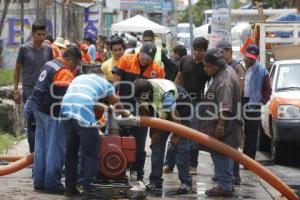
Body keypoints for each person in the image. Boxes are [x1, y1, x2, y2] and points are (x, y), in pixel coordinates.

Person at [60, 74, 129, 196]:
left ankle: (69, 188)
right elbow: (115, 102)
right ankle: (89, 189)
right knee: (91, 153)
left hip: (65, 109)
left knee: (71, 152)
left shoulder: (79, 78)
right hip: (82, 110)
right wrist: (125, 114)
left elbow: (83, 99)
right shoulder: (107, 85)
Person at [26, 46, 82, 193]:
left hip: (38, 110)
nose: (75, 68)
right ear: (69, 58)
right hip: (52, 113)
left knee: (41, 148)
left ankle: (39, 182)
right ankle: (52, 184)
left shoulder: (49, 63)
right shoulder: (63, 71)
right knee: (55, 150)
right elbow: (65, 97)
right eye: (75, 64)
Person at [112, 42, 165, 181]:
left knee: (139, 145)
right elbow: (115, 83)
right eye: (144, 56)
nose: (145, 60)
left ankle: (137, 175)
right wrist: (115, 102)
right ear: (139, 52)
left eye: (149, 58)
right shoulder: (126, 60)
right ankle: (118, 173)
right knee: (118, 141)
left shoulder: (157, 69)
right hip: (122, 106)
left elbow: (158, 94)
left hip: (143, 110)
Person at [134, 78, 192, 194]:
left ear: (148, 94)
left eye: (141, 97)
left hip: (181, 109)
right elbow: (144, 112)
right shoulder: (140, 91)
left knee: (180, 148)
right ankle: (155, 182)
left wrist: (177, 135)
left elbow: (174, 116)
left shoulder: (166, 94)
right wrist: (154, 131)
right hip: (160, 111)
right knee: (156, 145)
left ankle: (186, 183)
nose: (139, 99)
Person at [200, 48, 244, 197]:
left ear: (215, 65)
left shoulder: (224, 80)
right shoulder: (225, 71)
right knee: (225, 154)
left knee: (221, 154)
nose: (205, 69)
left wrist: (220, 125)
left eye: (207, 66)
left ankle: (225, 185)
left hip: (225, 127)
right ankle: (226, 182)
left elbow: (225, 105)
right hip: (226, 125)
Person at [13, 21, 53, 153]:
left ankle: (43, 152)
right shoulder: (24, 49)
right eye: (39, 34)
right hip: (29, 90)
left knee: (45, 122)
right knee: (32, 122)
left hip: (45, 91)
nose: (42, 37)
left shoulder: (48, 49)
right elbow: (17, 70)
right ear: (32, 34)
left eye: (44, 34)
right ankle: (33, 153)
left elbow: (52, 70)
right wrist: (16, 90)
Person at [173, 37, 210, 174]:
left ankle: (193, 165)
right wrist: (174, 92)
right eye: (196, 50)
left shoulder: (208, 65)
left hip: (198, 102)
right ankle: (169, 164)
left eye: (201, 50)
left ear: (205, 51)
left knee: (194, 135)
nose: (197, 53)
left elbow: (211, 86)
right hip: (182, 100)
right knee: (176, 131)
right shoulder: (185, 60)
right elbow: (179, 77)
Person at [216, 39, 246, 185]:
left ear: (229, 51)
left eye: (223, 52)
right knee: (224, 147)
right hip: (224, 111)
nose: (221, 55)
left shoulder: (236, 67)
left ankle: (234, 176)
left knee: (232, 145)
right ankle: (224, 174)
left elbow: (239, 91)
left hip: (232, 112)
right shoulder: (222, 68)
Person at [242, 44, 272, 160]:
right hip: (240, 101)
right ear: (245, 55)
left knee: (252, 134)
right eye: (248, 57)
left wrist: (261, 101)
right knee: (235, 130)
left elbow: (268, 89)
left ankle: (248, 161)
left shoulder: (262, 70)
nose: (249, 60)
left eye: (252, 58)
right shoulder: (239, 66)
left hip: (253, 104)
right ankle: (234, 160)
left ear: (257, 57)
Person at [163, 44, 187, 172]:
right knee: (178, 137)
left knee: (176, 137)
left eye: (174, 52)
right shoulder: (183, 64)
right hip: (178, 99)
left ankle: (169, 164)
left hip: (174, 99)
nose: (172, 55)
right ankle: (175, 167)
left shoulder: (176, 65)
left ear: (178, 53)